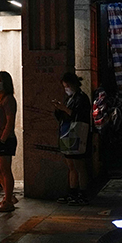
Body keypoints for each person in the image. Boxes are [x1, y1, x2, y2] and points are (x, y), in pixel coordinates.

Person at [53, 72, 93, 206]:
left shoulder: (82, 98)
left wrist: (63, 109)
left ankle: (82, 193)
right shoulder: (70, 98)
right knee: (71, 165)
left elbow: (78, 115)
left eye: (67, 86)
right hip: (67, 133)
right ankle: (72, 192)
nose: (66, 89)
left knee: (79, 165)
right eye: (65, 86)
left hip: (78, 134)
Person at [0, 71, 18, 212]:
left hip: (5, 139)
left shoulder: (8, 100)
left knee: (5, 169)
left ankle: (8, 200)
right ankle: (9, 194)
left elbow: (10, 121)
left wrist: (3, 138)